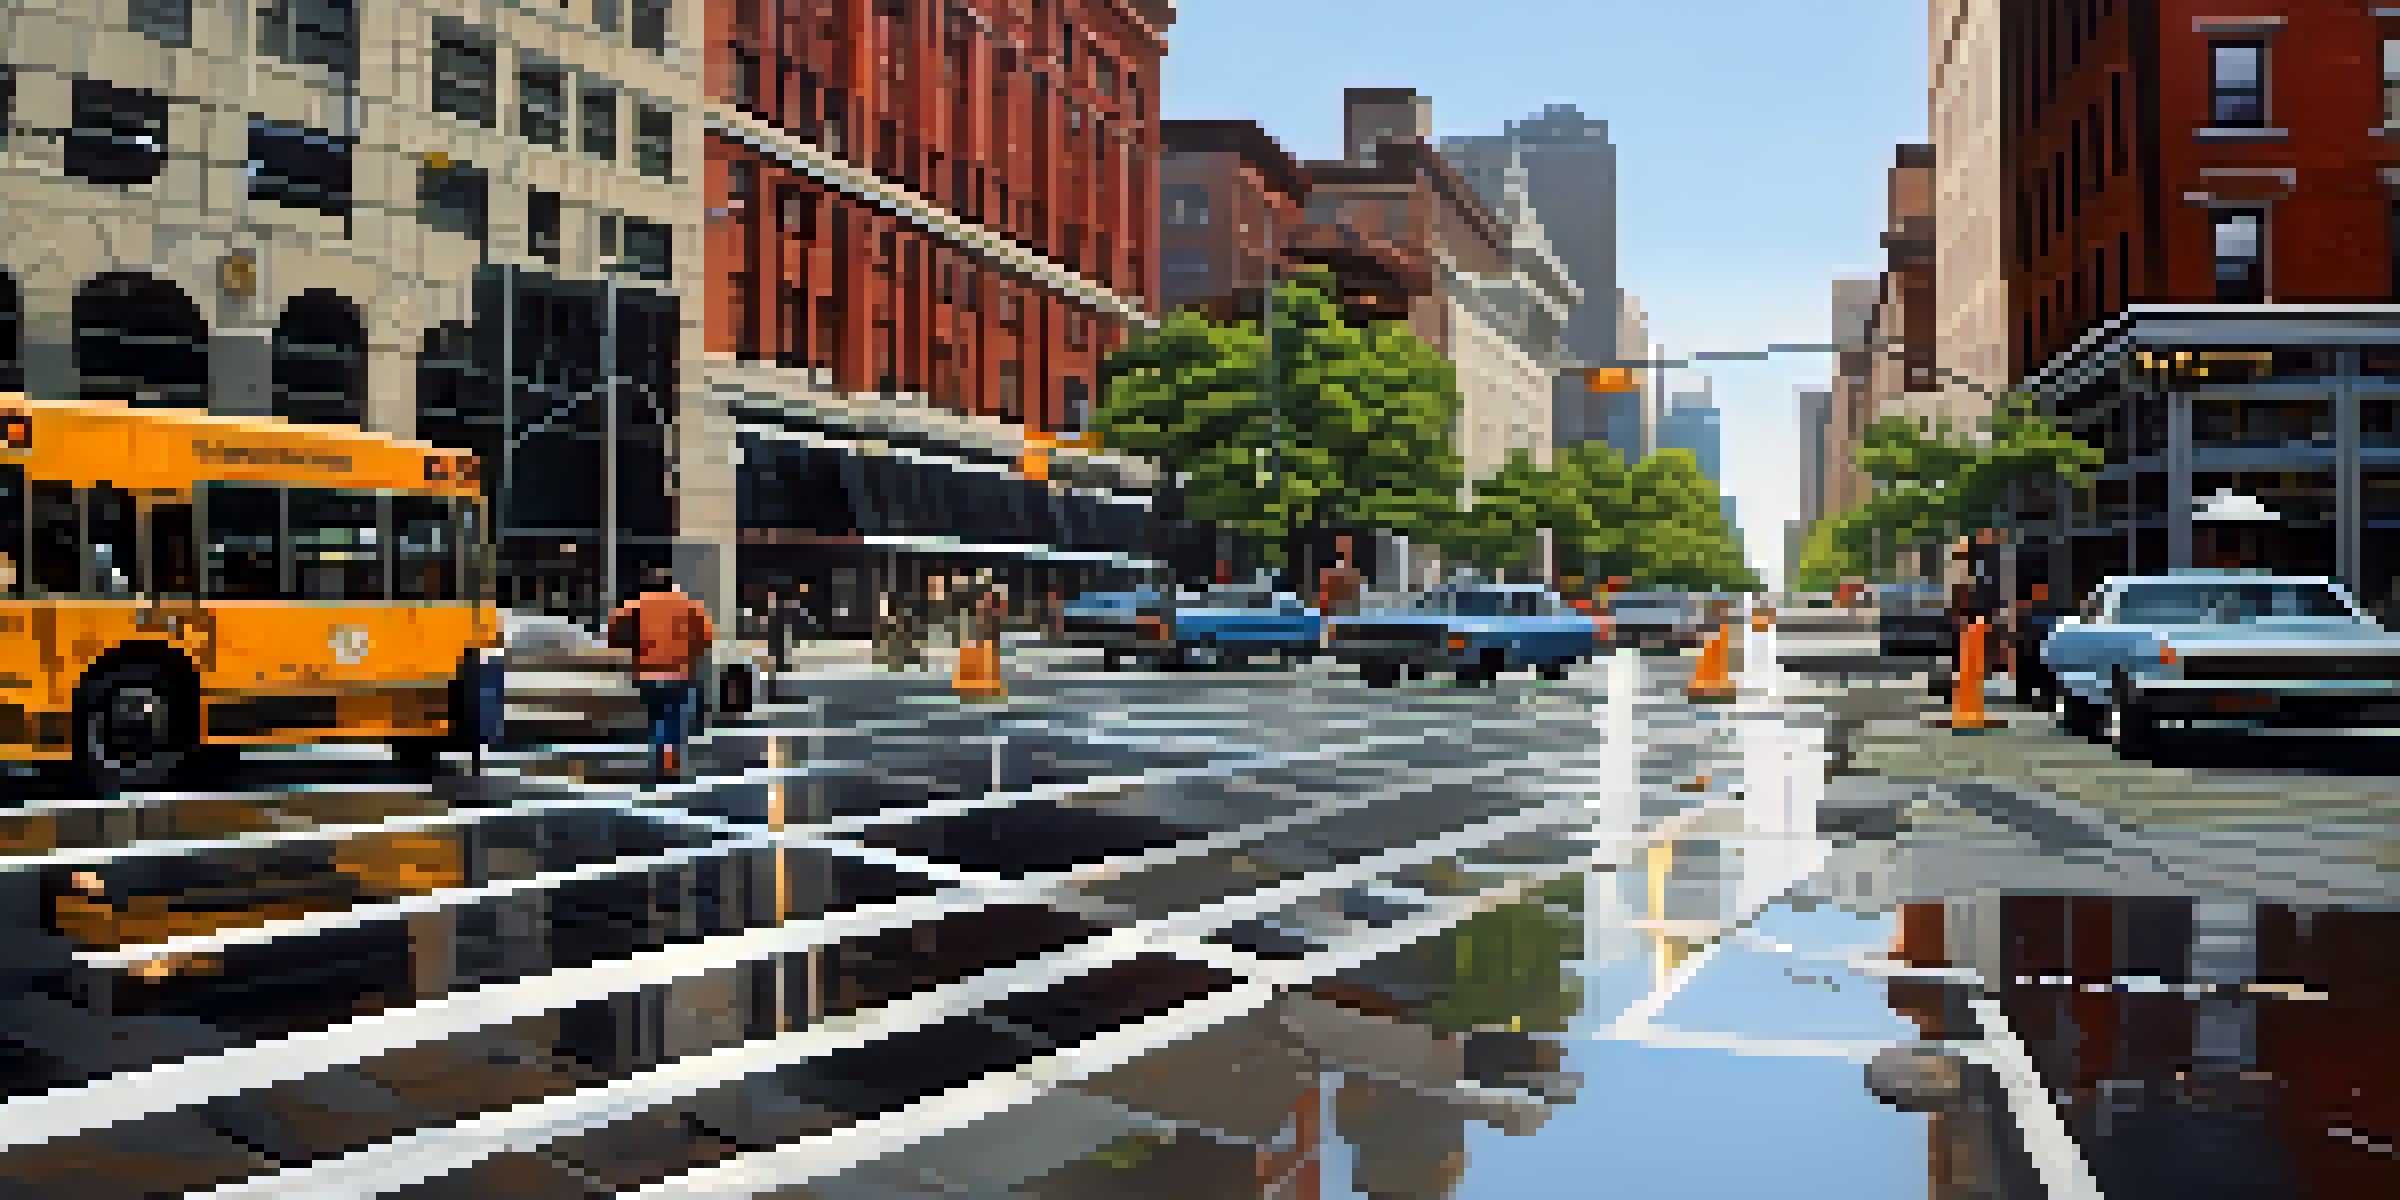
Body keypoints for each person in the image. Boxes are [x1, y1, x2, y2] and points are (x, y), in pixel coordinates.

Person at [608, 576, 715, 782]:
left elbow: (614, 634)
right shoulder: (688, 605)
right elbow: (706, 638)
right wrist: (689, 652)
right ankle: (670, 761)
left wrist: (636, 649)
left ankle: (660, 760)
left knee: (656, 718)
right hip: (680, 673)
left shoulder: (637, 604)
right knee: (675, 719)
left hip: (647, 673)